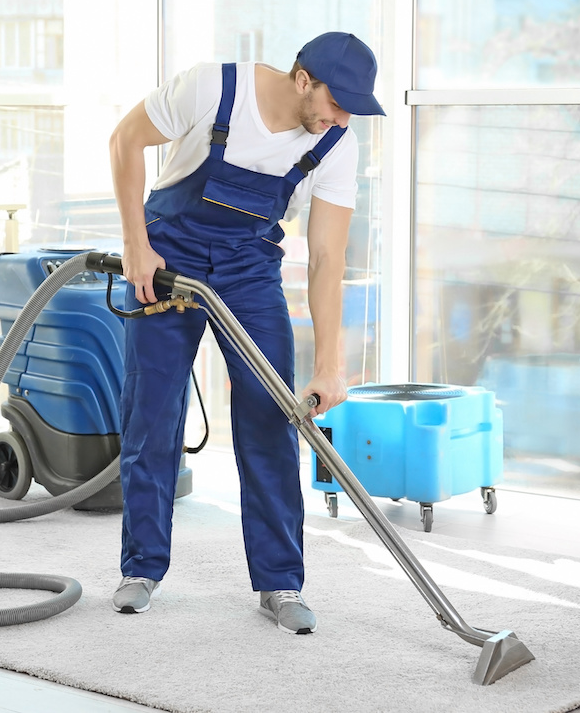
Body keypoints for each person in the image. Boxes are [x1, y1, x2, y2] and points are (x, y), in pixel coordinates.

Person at [107, 32, 386, 634]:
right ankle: (142, 569)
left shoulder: (336, 143)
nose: (342, 119)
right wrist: (136, 246)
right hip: (168, 255)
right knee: (152, 414)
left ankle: (281, 582)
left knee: (269, 417)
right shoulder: (213, 87)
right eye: (338, 103)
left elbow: (326, 259)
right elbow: (126, 139)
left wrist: (331, 364)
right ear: (304, 79)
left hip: (248, 269)